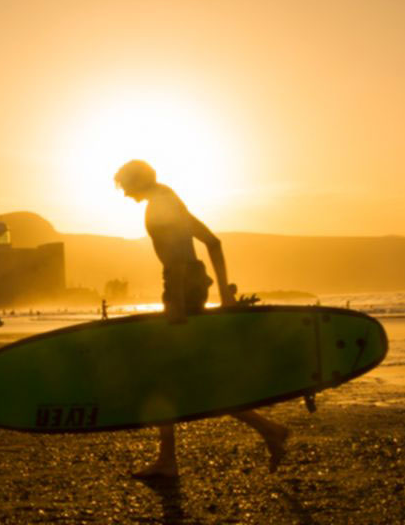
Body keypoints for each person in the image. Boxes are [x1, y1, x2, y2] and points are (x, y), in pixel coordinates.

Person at [115, 159, 289, 479]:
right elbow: (213, 242)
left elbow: (177, 259)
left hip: (181, 290)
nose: (124, 194)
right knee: (187, 376)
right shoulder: (173, 200)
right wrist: (224, 294)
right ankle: (268, 429)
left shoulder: (157, 207)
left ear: (137, 181)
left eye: (124, 186)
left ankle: (169, 460)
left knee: (167, 375)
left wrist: (177, 305)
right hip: (196, 288)